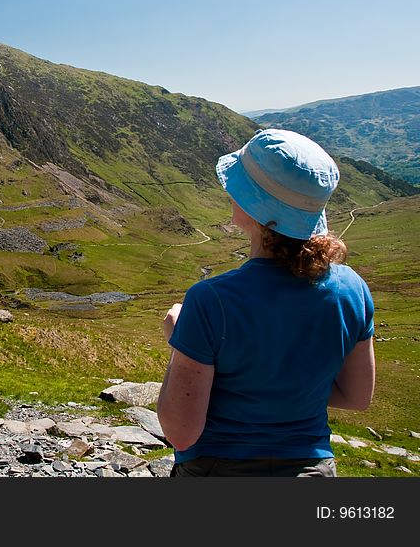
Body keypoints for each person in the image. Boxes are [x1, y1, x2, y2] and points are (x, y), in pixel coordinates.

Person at [156, 128, 375, 476]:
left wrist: (180, 340)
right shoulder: (353, 289)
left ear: (253, 205)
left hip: (217, 470)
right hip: (314, 470)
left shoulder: (210, 300)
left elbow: (180, 434)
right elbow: (356, 397)